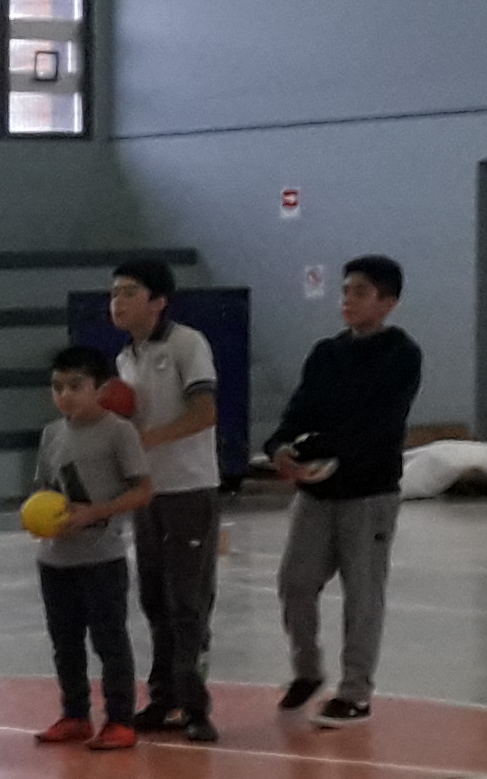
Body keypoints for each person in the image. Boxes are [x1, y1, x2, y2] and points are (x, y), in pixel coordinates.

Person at [265, 255, 426, 728]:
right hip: (316, 495)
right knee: (295, 582)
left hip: (369, 495)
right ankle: (307, 670)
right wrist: (280, 447)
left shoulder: (402, 355)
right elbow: (299, 411)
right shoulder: (325, 354)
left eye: (361, 292)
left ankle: (356, 692)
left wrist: (326, 452)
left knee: (362, 593)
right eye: (346, 290)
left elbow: (379, 422)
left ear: (388, 302)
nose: (348, 300)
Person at [107, 258, 226, 743]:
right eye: (114, 293)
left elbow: (205, 411)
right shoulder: (124, 359)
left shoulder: (187, 344)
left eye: (129, 292)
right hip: (148, 493)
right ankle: (163, 697)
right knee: (154, 599)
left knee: (187, 602)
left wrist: (149, 439)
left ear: (158, 301)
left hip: (189, 489)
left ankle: (195, 705)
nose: (117, 302)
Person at [28, 346, 157, 750]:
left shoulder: (119, 432)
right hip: (55, 558)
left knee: (109, 640)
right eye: (57, 387)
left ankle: (119, 719)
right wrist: (38, 517)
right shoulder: (51, 434)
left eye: (75, 386)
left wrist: (95, 513)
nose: (65, 395)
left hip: (102, 558)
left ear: (101, 389)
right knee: (64, 642)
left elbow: (142, 491)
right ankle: (75, 714)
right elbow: (45, 490)